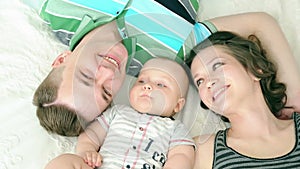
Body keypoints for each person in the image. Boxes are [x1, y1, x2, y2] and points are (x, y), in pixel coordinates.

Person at [32, 0, 300, 136]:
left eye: (86, 75)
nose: (108, 73)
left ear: (61, 60)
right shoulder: (170, 53)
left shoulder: (58, 9)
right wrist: (293, 100)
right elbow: (261, 23)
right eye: (105, 92)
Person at [45, 57, 194, 169]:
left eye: (161, 84)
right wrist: (87, 151)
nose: (148, 86)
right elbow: (92, 134)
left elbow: (182, 155)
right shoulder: (118, 112)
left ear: (177, 105)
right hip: (102, 165)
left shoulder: (175, 128)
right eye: (141, 81)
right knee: (65, 161)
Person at [189, 31, 300, 169]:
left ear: (255, 69)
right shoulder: (200, 151)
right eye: (199, 81)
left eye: (217, 66)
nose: (208, 83)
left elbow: (262, 22)